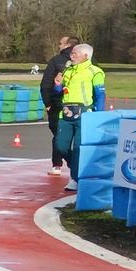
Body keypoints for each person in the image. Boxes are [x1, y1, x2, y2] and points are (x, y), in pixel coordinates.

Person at [54, 42, 106, 192]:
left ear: (85, 56)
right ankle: (78, 168)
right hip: (66, 113)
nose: (71, 56)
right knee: (60, 146)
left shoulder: (95, 71)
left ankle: (76, 178)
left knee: (78, 148)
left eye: (74, 54)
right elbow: (59, 91)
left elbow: (100, 94)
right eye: (71, 53)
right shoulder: (67, 70)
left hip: (84, 114)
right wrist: (57, 85)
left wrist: (98, 115)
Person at [41, 36, 80, 177]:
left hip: (59, 105)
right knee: (73, 139)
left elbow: (46, 83)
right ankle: (71, 164)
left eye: (60, 43)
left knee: (59, 136)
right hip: (82, 106)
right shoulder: (89, 62)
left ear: (68, 45)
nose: (59, 46)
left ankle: (62, 164)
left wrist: (47, 102)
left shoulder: (57, 60)